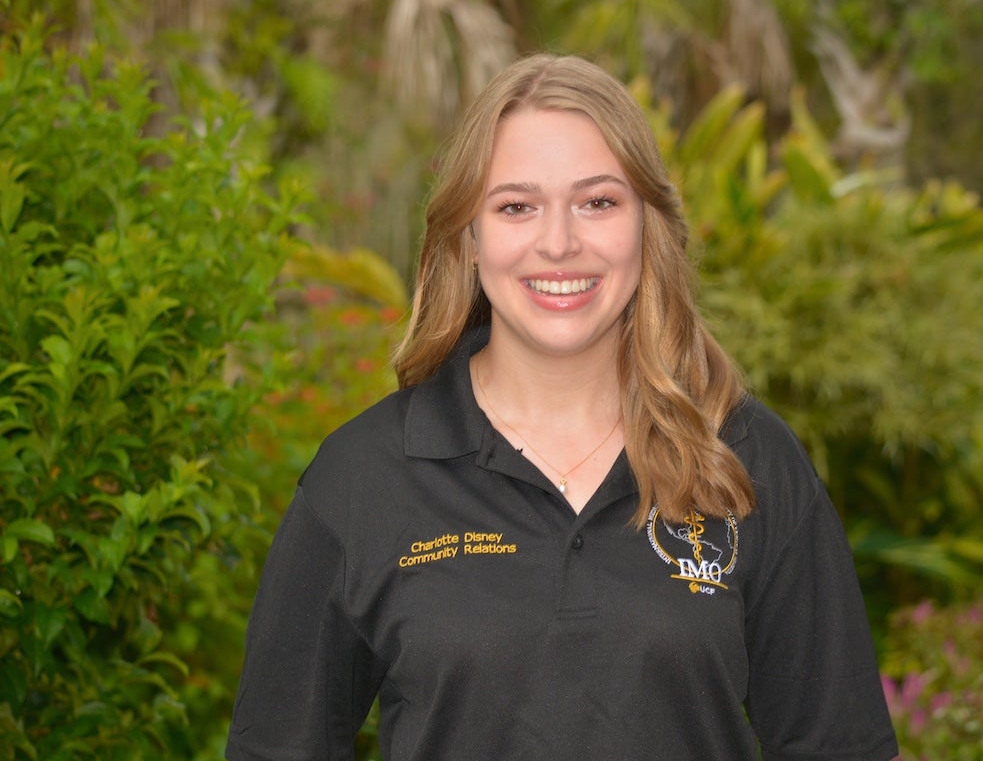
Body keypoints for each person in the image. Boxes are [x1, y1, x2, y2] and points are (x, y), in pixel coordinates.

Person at [226, 54, 900, 761]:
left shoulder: (746, 459)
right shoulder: (364, 478)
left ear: (647, 226)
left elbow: (839, 746)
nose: (559, 243)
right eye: (516, 206)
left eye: (597, 202)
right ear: (468, 236)